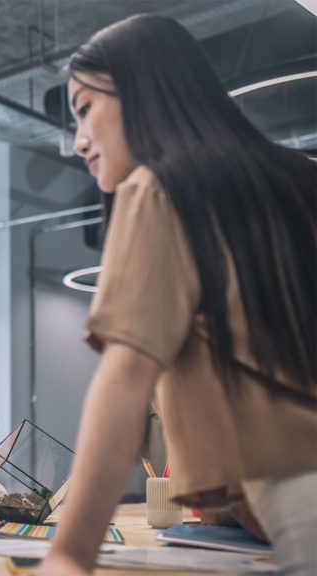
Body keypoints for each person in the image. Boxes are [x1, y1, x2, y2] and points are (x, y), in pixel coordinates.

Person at [33, 14, 316, 576]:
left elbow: (126, 381)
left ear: (145, 91)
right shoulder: (300, 180)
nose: (78, 141)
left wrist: (68, 556)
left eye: (86, 109)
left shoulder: (158, 186)